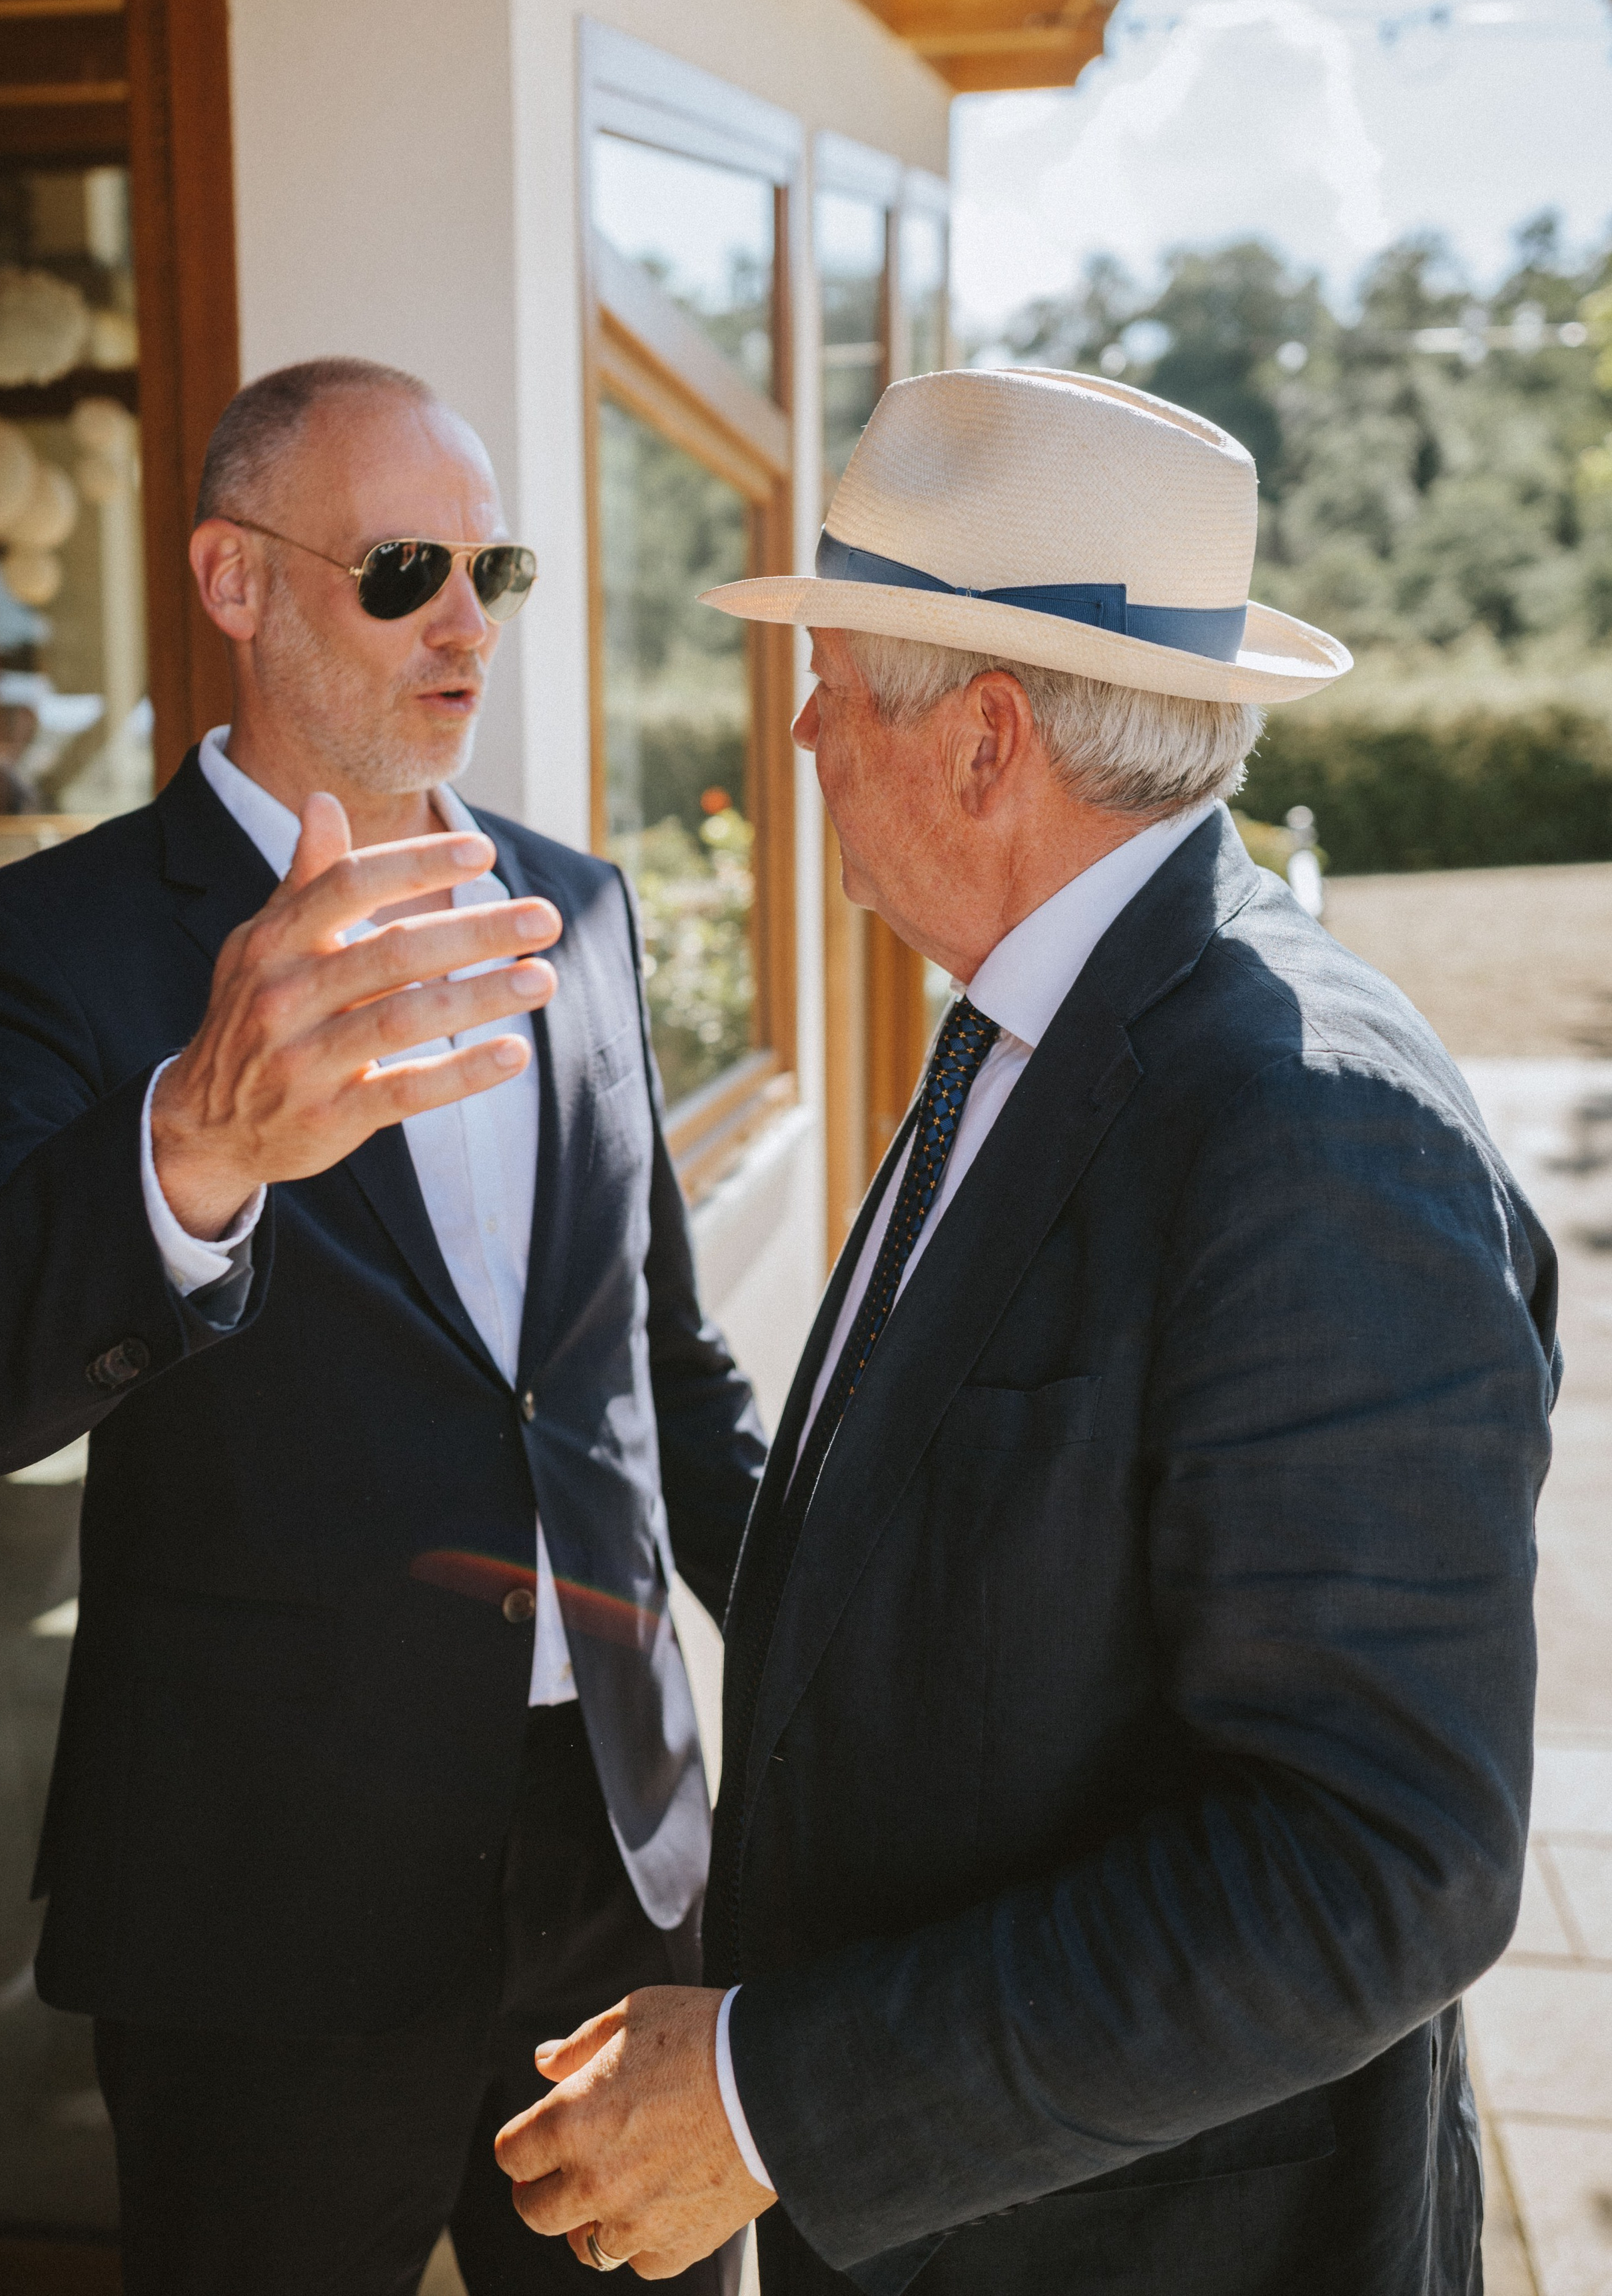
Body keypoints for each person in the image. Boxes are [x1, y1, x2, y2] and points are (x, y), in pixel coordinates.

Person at [494, 367, 1559, 2295]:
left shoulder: (1310, 1130)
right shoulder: (1028, 1020)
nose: (800, 720)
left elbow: (1381, 1861)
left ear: (988, 744)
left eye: (838, 675)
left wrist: (764, 2098)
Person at [0, 356, 765, 2295]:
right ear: (234, 582)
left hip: (618, 1866)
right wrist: (190, 1144)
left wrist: (852, 1644)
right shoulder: (51, 944)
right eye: (402, 570)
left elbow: (656, 1375)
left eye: (492, 569)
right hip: (262, 1905)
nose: (465, 622)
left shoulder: (582, 910)